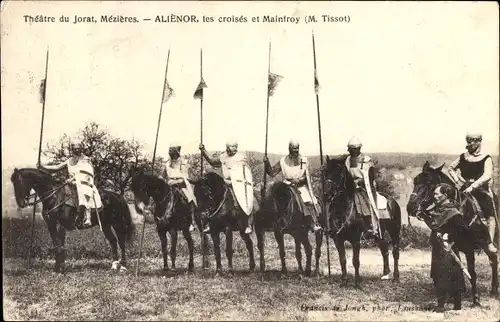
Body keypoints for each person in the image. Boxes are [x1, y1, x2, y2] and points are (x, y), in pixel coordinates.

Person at [448, 132, 497, 253]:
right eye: (469, 141)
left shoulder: (486, 158)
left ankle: (490, 242)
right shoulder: (463, 156)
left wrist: (473, 186)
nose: (470, 143)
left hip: (481, 189)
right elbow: (450, 168)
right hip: (464, 188)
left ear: (479, 142)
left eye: (473, 141)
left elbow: (487, 175)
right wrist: (457, 180)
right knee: (451, 205)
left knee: (489, 211)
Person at [199, 139, 258, 234]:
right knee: (211, 197)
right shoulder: (223, 156)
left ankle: (248, 224)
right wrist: (203, 150)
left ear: (236, 147)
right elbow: (213, 162)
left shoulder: (241, 157)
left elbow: (244, 171)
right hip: (225, 182)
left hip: (238, 184)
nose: (228, 149)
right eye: (227, 147)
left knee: (246, 200)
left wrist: (235, 181)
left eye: (230, 147)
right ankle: (210, 223)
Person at [263, 138, 322, 232]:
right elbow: (272, 173)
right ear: (289, 148)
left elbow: (308, 175)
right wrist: (267, 163)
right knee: (272, 199)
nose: (296, 150)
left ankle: (313, 223)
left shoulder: (304, 160)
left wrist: (299, 180)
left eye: (297, 148)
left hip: (300, 186)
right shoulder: (282, 161)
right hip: (286, 186)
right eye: (294, 148)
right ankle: (271, 223)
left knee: (309, 202)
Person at [37, 142, 102, 228]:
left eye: (78, 148)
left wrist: (73, 179)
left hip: (83, 183)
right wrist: (43, 166)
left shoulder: (86, 160)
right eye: (75, 148)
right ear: (72, 150)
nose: (77, 150)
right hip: (70, 183)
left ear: (81, 149)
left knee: (83, 191)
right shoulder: (69, 160)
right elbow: (57, 167)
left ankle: (87, 217)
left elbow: (87, 173)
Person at [426, 183, 467, 312]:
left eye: (437, 194)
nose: (435, 196)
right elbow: (434, 225)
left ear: (445, 195)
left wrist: (448, 236)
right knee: (438, 274)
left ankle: (457, 304)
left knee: (453, 275)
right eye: (434, 194)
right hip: (438, 249)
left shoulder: (453, 212)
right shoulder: (437, 210)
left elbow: (462, 231)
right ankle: (441, 304)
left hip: (449, 249)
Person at [341, 136, 382, 239]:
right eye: (349, 149)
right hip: (351, 187)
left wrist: (360, 182)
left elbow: (371, 176)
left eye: (352, 149)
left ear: (357, 149)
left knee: (364, 202)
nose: (349, 151)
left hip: (365, 187)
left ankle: (370, 226)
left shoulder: (366, 160)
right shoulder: (348, 160)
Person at [161, 144, 198, 232]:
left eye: (171, 150)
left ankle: (193, 221)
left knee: (190, 198)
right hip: (169, 184)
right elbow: (163, 176)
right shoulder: (167, 163)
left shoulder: (183, 162)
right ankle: (160, 218)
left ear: (176, 152)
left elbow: (184, 176)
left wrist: (177, 181)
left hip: (182, 184)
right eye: (169, 150)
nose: (169, 152)